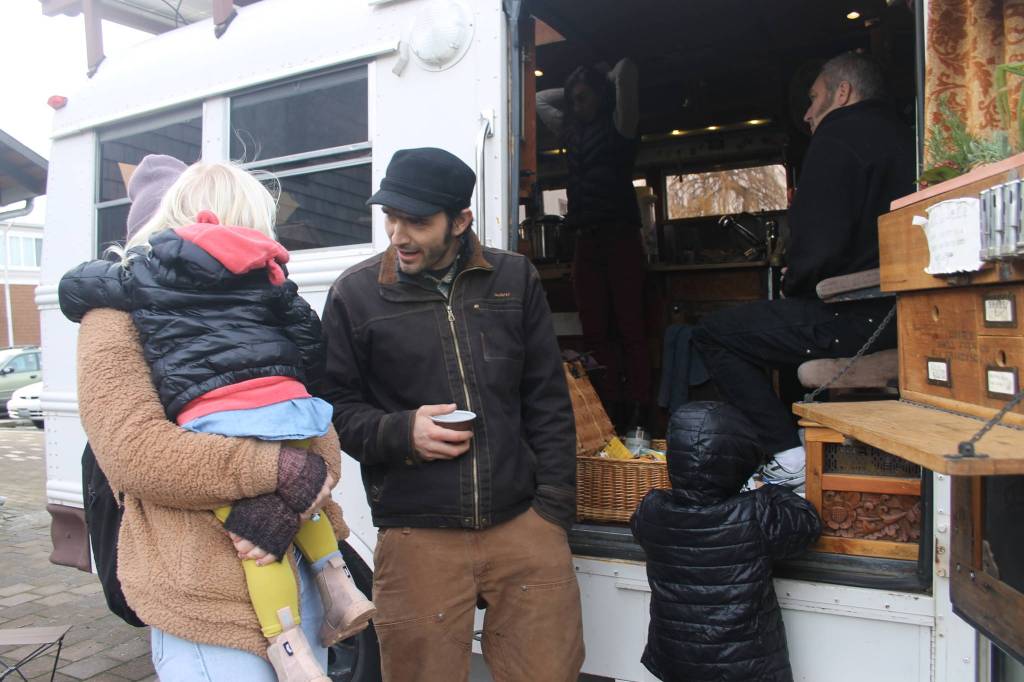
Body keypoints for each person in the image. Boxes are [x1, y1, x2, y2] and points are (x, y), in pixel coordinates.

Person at [59, 156, 367, 682]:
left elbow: (315, 429)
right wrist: (281, 474)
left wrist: (293, 496)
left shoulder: (263, 307)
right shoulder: (115, 317)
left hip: (299, 578)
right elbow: (137, 453)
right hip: (206, 605)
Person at [319, 147, 585, 682]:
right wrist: (400, 431)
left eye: (417, 221)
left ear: (460, 221)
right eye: (390, 217)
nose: (398, 235)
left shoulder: (514, 279)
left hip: (523, 527)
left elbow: (548, 401)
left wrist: (553, 510)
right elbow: (333, 409)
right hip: (419, 536)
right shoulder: (355, 294)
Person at [692, 51, 915, 488]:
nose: (809, 114)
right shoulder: (902, 134)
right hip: (897, 313)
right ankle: (802, 451)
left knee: (713, 333)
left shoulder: (838, 135)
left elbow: (818, 246)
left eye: (813, 99)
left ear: (843, 92)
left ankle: (789, 457)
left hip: (857, 315)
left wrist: (794, 283)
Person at [631, 401, 821, 682]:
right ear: (738, 459)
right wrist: (768, 491)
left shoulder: (652, 509)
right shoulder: (756, 511)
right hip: (746, 667)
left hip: (676, 660)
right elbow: (807, 525)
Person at [537, 59, 651, 430]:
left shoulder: (621, 124)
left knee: (632, 329)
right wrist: (575, 88)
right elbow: (540, 100)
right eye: (572, 100)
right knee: (595, 330)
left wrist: (604, 79)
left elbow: (628, 72)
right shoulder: (571, 130)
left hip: (619, 236)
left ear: (602, 96)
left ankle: (640, 412)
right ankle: (606, 408)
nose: (576, 105)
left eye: (583, 98)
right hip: (586, 240)